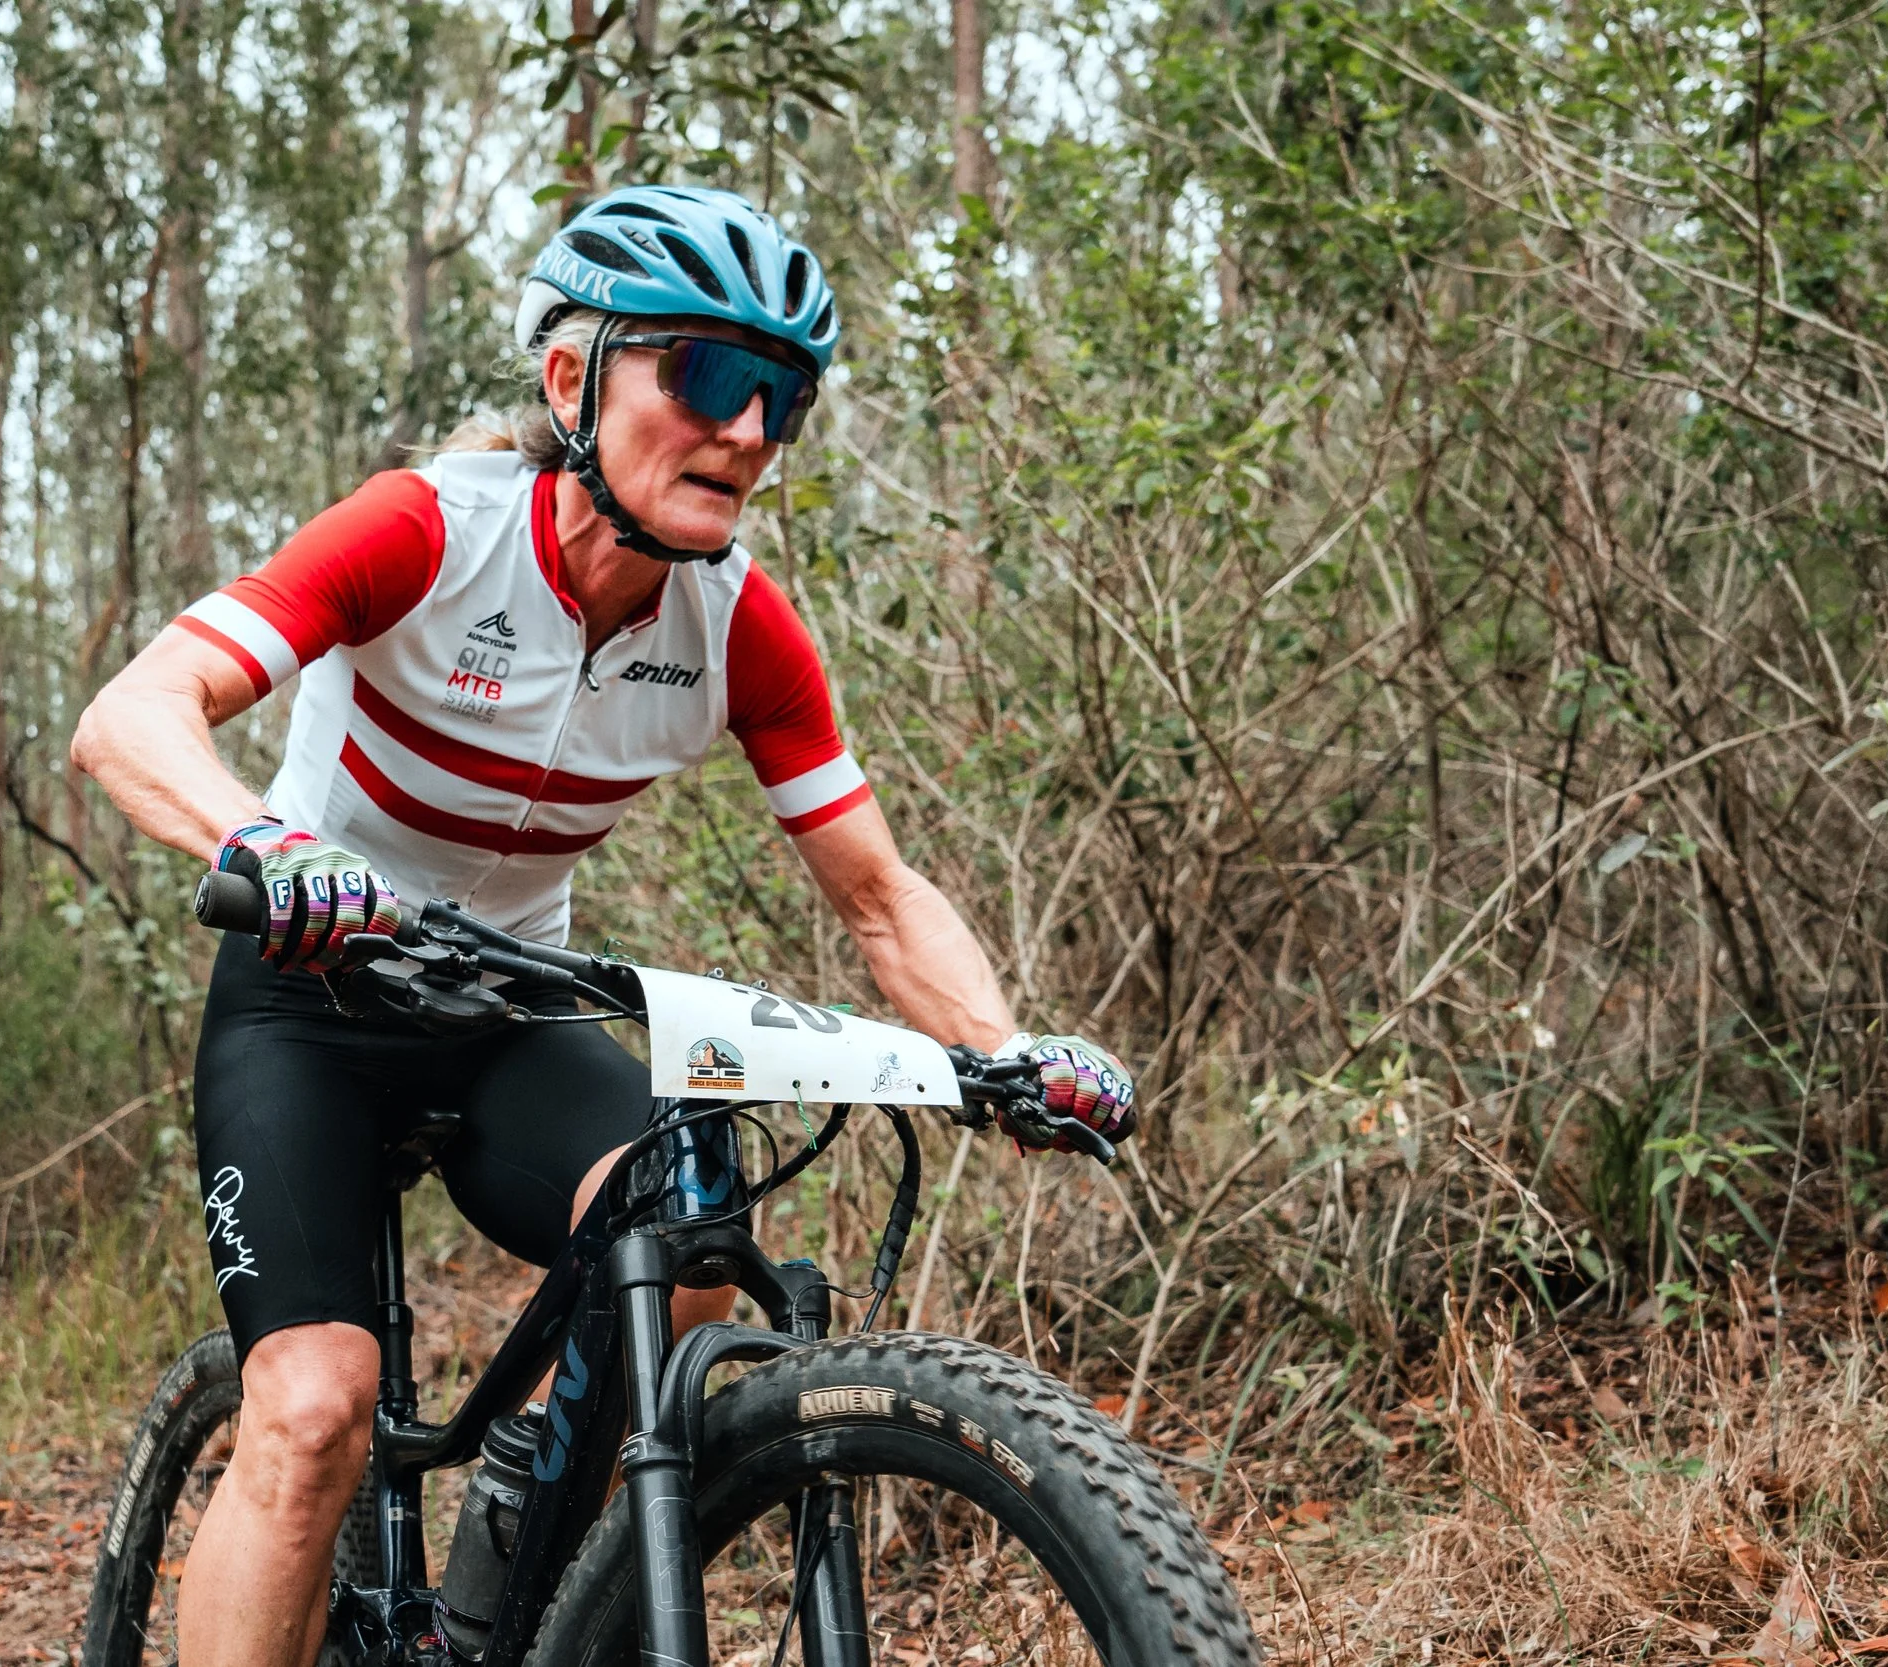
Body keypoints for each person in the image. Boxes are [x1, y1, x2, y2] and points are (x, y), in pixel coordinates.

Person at [72, 185, 1136, 1667]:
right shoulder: (428, 530)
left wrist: (1009, 1052)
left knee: (693, 1256)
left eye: (785, 395)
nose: (751, 428)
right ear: (573, 381)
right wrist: (265, 838)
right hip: (310, 1002)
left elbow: (882, 896)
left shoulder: (736, 625)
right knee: (314, 1409)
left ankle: (504, 1586)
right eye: (707, 375)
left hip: (506, 1006)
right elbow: (132, 716)